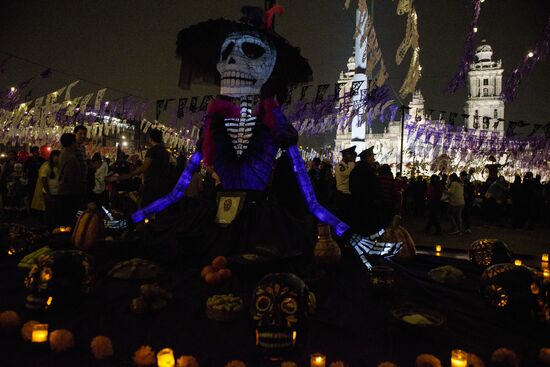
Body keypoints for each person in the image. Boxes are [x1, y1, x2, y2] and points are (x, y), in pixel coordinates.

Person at [116, 129, 171, 208]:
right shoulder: (165, 152)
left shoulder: (152, 150)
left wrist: (130, 174)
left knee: (145, 206)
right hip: (163, 184)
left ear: (151, 138)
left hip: (151, 184)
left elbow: (144, 167)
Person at [349, 146, 382, 234]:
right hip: (368, 206)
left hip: (356, 204)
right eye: (372, 156)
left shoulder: (355, 170)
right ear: (367, 157)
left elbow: (351, 187)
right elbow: (375, 189)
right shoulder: (370, 171)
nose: (374, 159)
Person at [57, 133, 83, 227]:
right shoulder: (71, 157)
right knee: (69, 218)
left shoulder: (63, 153)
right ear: (72, 143)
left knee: (64, 218)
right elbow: (70, 178)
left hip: (64, 191)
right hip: (69, 193)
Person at [36, 150, 61, 228]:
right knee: (50, 212)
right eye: (57, 156)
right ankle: (49, 228)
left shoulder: (59, 167)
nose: (58, 159)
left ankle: (54, 227)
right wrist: (48, 194)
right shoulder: (46, 166)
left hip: (58, 193)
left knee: (55, 212)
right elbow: (44, 181)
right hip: (50, 193)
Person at [334, 146, 356, 224]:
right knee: (344, 218)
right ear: (346, 155)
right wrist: (353, 163)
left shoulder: (347, 165)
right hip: (343, 195)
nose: (353, 156)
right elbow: (351, 174)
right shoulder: (341, 166)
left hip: (348, 194)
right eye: (351, 154)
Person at [377, 164, 399, 228]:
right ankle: (387, 231)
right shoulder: (391, 179)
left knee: (381, 218)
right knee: (388, 218)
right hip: (389, 201)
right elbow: (394, 190)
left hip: (380, 201)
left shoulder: (378, 178)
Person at [73, 125, 88, 199]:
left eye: (84, 134)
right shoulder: (72, 147)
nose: (83, 136)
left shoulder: (82, 148)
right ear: (74, 134)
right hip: (74, 183)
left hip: (82, 182)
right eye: (80, 134)